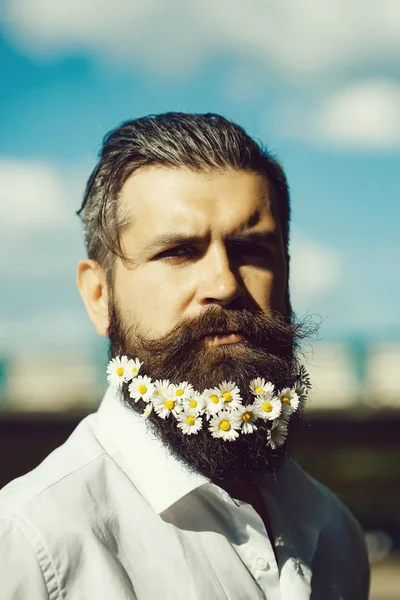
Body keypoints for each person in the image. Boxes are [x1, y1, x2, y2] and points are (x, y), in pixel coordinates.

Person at [0, 113, 369, 599]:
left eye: (252, 250)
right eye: (178, 251)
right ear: (99, 295)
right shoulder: (31, 543)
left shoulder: (335, 533)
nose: (225, 284)